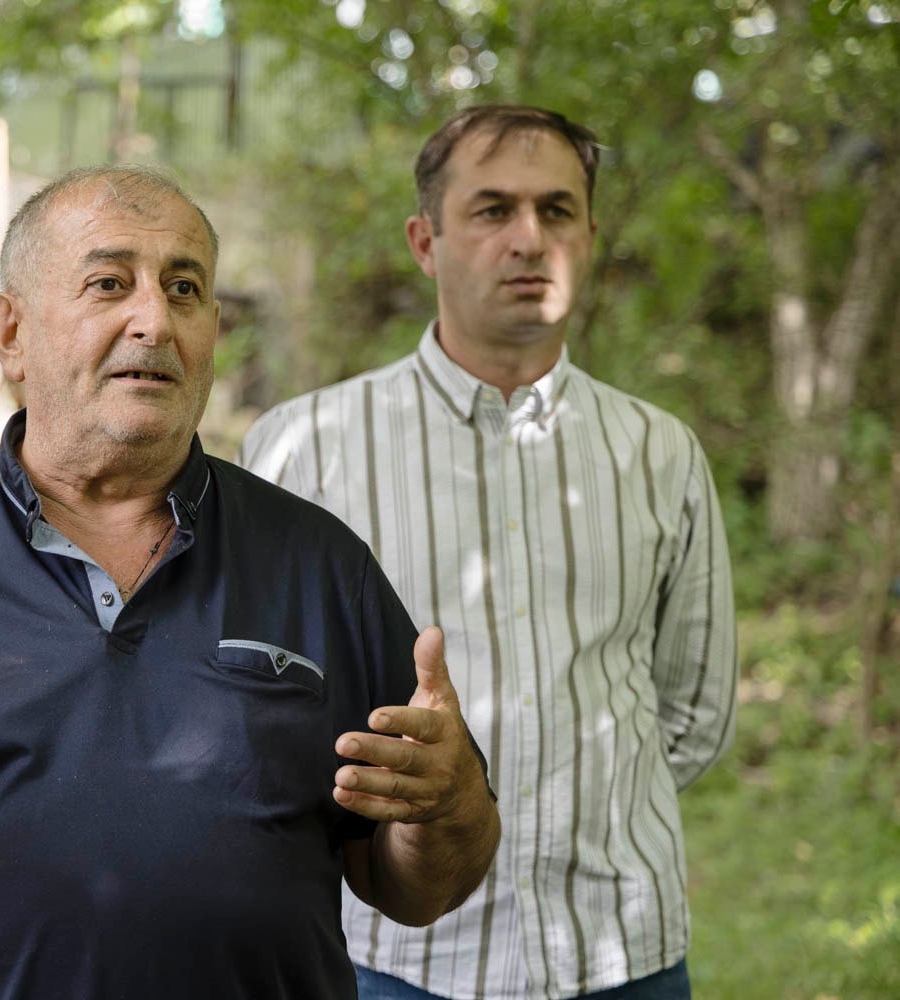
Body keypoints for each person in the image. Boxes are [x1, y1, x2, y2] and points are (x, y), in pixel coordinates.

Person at [0, 165, 500, 999]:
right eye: (108, 283)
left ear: (213, 329)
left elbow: (417, 890)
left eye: (184, 289)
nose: (154, 320)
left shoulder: (317, 566)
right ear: (11, 333)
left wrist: (450, 799)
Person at [239, 106, 736, 1000]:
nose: (528, 238)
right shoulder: (303, 449)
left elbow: (691, 711)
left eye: (556, 210)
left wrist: (589, 801)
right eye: (492, 209)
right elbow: (262, 712)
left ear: (588, 237)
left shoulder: (659, 452)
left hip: (622, 954)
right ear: (424, 242)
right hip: (395, 960)